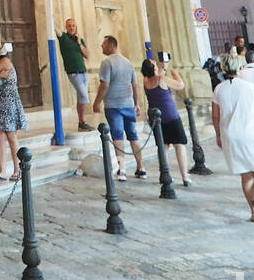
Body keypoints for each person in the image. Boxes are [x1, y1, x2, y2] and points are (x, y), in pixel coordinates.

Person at [212, 52, 254, 223]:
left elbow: (215, 116)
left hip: (231, 136)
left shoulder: (218, 89)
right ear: (240, 67)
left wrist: (218, 135)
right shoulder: (249, 87)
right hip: (252, 134)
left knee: (246, 175)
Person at [93, 36, 147, 181]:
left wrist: (97, 102)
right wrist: (136, 103)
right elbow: (134, 85)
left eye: (103, 44)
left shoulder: (107, 62)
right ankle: (140, 167)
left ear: (111, 45)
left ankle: (122, 169)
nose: (101, 46)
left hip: (113, 105)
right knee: (133, 135)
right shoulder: (128, 62)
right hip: (128, 104)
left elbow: (104, 85)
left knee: (117, 137)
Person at [0, 41, 27, 181]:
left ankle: (18, 169)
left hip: (9, 102)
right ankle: (2, 170)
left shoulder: (4, 61)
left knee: (11, 136)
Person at [142, 58, 190, 186]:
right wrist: (174, 72)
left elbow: (156, 76)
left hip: (157, 119)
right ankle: (185, 176)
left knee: (163, 147)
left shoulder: (145, 81)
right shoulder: (161, 79)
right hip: (171, 117)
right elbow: (180, 85)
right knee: (179, 145)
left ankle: (165, 173)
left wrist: (163, 69)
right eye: (155, 66)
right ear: (153, 69)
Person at [57, 18, 92, 131]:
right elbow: (56, 29)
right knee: (84, 96)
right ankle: (83, 121)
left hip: (83, 72)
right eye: (69, 26)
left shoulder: (79, 39)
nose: (72, 28)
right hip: (73, 73)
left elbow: (87, 55)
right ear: (66, 27)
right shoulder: (64, 38)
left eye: (73, 26)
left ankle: (81, 122)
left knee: (80, 98)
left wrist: (79, 43)